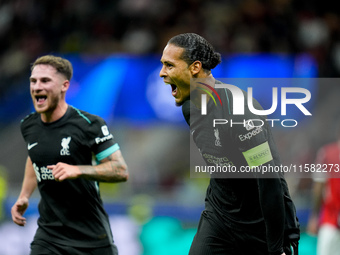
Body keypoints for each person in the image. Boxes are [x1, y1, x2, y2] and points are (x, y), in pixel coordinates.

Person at [159, 33, 299, 255]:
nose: (162, 73)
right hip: (220, 219)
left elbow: (269, 180)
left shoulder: (240, 111)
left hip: (260, 224)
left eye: (169, 65)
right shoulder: (189, 108)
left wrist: (277, 244)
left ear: (195, 68)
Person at [11, 55, 128, 255]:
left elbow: (120, 170)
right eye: (33, 81)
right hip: (49, 236)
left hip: (91, 237)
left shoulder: (89, 125)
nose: (37, 86)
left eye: (45, 81)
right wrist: (24, 196)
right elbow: (34, 156)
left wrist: (77, 170)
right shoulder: (28, 125)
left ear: (64, 86)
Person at [307, 127, 340, 255]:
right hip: (330, 217)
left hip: (330, 218)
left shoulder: (326, 153)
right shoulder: (327, 153)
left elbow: (318, 187)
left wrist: (314, 216)